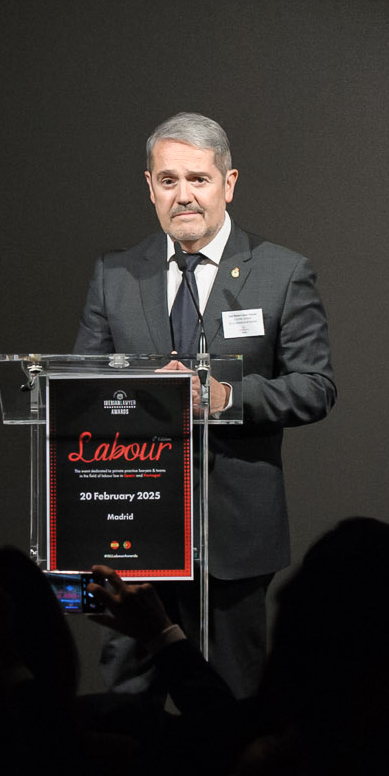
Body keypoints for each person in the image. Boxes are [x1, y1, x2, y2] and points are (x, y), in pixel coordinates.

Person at [74, 113, 335, 698]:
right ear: (150, 187)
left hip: (233, 534)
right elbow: (83, 385)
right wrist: (134, 394)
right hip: (132, 524)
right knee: (126, 703)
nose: (184, 195)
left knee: (230, 702)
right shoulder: (115, 274)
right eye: (168, 180)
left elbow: (316, 386)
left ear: (228, 183)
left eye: (199, 179)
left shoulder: (281, 272)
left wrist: (224, 397)